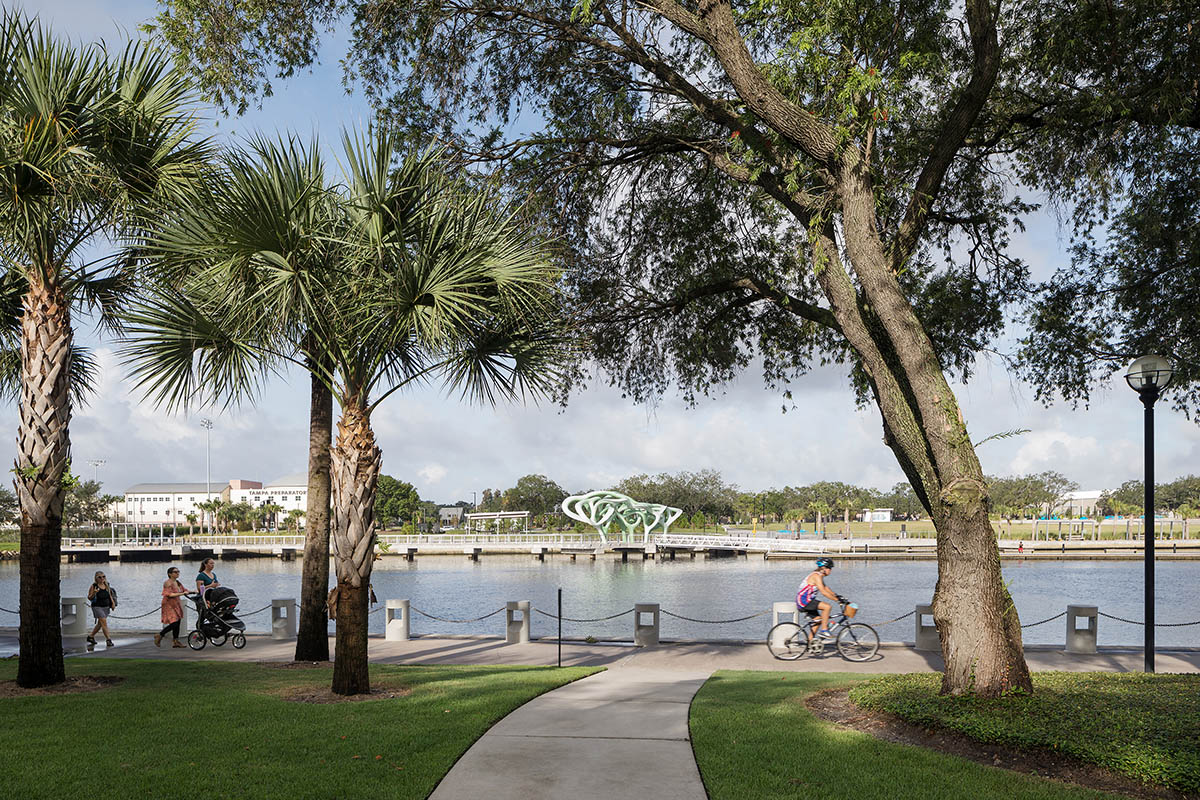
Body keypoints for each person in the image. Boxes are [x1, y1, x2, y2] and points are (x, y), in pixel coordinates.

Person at [796, 557, 845, 640]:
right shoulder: (816, 576)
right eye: (830, 568)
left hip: (807, 601)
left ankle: (809, 643)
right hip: (804, 601)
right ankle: (824, 630)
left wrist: (837, 596)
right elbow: (823, 592)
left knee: (818, 620)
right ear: (824, 568)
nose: (831, 570)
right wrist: (836, 600)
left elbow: (825, 588)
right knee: (827, 607)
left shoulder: (819, 575)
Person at [156, 567, 189, 648]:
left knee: (178, 622)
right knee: (174, 623)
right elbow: (169, 594)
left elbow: (184, 590)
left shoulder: (178, 582)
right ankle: (160, 635)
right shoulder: (167, 583)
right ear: (170, 574)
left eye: (178, 571)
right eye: (175, 572)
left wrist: (193, 591)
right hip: (168, 604)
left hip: (176, 603)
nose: (177, 573)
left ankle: (175, 641)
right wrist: (182, 593)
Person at [86, 570, 117, 647]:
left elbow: (109, 595)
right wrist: (94, 592)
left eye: (103, 576)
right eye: (100, 577)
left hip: (106, 607)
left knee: (100, 623)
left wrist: (113, 603)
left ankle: (91, 637)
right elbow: (89, 597)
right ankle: (108, 640)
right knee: (104, 623)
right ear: (96, 578)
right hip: (97, 607)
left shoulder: (106, 585)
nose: (102, 578)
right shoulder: (94, 586)